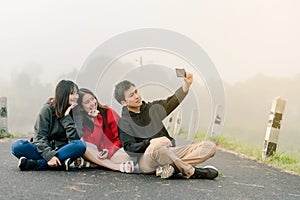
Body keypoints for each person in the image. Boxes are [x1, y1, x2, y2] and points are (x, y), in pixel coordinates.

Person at [114, 71, 219, 179]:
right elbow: (129, 148)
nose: (137, 96)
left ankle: (172, 168)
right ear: (124, 102)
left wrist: (186, 85)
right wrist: (150, 142)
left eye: (136, 92)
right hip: (147, 159)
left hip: (169, 152)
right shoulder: (124, 122)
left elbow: (171, 101)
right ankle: (192, 171)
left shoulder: (152, 108)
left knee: (209, 147)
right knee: (158, 148)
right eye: (131, 95)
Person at [11, 80, 87, 171]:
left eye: (76, 93)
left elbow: (74, 139)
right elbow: (39, 137)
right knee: (17, 146)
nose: (75, 97)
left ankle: (36, 164)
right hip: (42, 150)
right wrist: (49, 156)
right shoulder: (47, 109)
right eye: (72, 93)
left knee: (80, 145)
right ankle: (59, 163)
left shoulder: (76, 112)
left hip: (62, 149)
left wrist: (66, 118)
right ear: (62, 94)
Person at [75, 88, 135, 173]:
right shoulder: (82, 122)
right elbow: (94, 144)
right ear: (81, 107)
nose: (92, 103)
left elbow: (121, 138)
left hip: (116, 150)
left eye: (93, 99)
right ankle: (112, 165)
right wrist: (96, 119)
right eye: (87, 102)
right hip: (98, 154)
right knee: (85, 148)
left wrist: (109, 151)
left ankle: (95, 164)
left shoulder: (108, 112)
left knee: (125, 156)